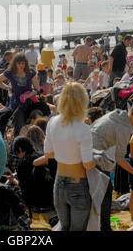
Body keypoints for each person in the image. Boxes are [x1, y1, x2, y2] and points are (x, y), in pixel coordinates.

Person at [91, 98, 133, 231]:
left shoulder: (118, 114)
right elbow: (120, 159)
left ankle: (102, 226)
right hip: (93, 158)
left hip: (90, 154)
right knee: (105, 194)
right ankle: (104, 227)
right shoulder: (124, 127)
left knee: (103, 193)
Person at [44, 82, 96, 231]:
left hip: (59, 182)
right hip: (78, 184)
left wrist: (63, 152)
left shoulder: (52, 122)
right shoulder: (84, 128)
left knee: (63, 227)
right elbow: (87, 164)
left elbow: (48, 154)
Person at [0, 53, 40, 137]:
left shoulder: (31, 72)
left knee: (37, 123)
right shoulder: (10, 72)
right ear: (15, 63)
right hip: (16, 103)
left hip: (30, 102)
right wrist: (8, 88)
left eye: (23, 63)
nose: (21, 65)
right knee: (19, 126)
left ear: (26, 63)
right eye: (19, 63)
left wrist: (27, 96)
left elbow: (37, 89)